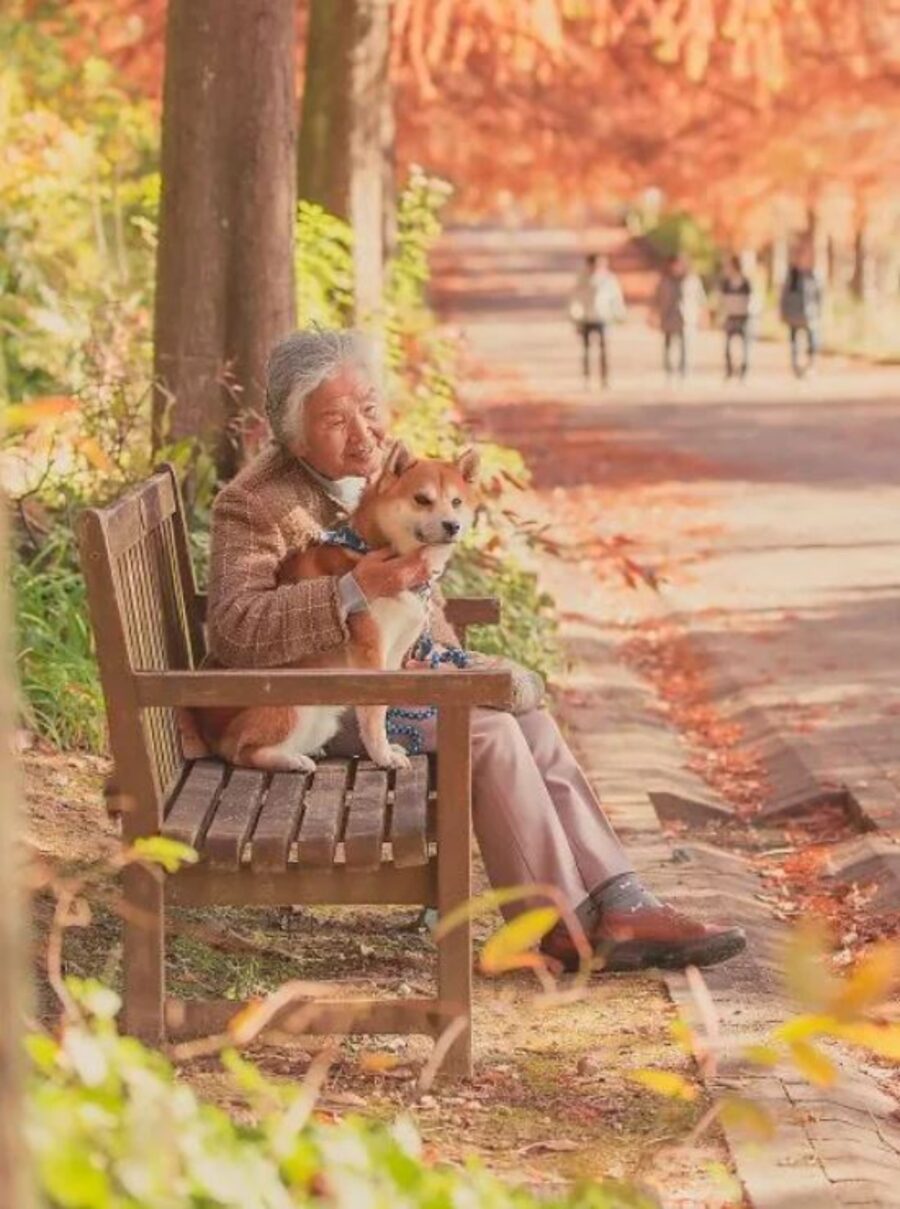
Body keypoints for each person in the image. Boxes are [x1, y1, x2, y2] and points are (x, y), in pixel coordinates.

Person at [206, 328, 746, 973]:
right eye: (335, 420)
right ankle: (561, 925)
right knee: (485, 730)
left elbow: (413, 605)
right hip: (315, 704)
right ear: (294, 435)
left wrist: (454, 663)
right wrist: (352, 589)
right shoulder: (254, 504)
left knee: (530, 721)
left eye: (370, 408)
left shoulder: (387, 473)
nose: (363, 432)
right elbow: (234, 629)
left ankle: (622, 901)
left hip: (393, 680)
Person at [569, 253, 626, 388]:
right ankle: (587, 377)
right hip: (586, 318)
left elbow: (616, 298)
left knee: (604, 350)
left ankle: (604, 378)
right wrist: (575, 316)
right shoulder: (582, 279)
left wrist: (619, 314)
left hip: (603, 317)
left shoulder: (609, 279)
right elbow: (575, 299)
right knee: (586, 350)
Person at [655, 254, 707, 379]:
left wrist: (703, 315)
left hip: (686, 317)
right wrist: (654, 314)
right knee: (668, 345)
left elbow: (701, 299)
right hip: (668, 316)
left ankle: (684, 371)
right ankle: (669, 371)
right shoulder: (665, 280)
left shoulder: (691, 280)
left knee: (686, 345)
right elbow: (657, 298)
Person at [780, 249, 823, 378]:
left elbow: (819, 296)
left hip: (810, 314)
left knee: (813, 340)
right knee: (794, 342)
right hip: (794, 313)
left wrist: (819, 311)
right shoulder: (792, 275)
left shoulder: (813, 275)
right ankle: (796, 366)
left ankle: (811, 364)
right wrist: (783, 311)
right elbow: (784, 295)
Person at [718, 255, 754, 380]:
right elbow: (721, 299)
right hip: (730, 316)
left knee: (745, 346)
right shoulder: (726, 282)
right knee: (728, 346)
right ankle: (729, 370)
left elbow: (751, 298)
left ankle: (743, 371)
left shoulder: (746, 282)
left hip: (743, 316)